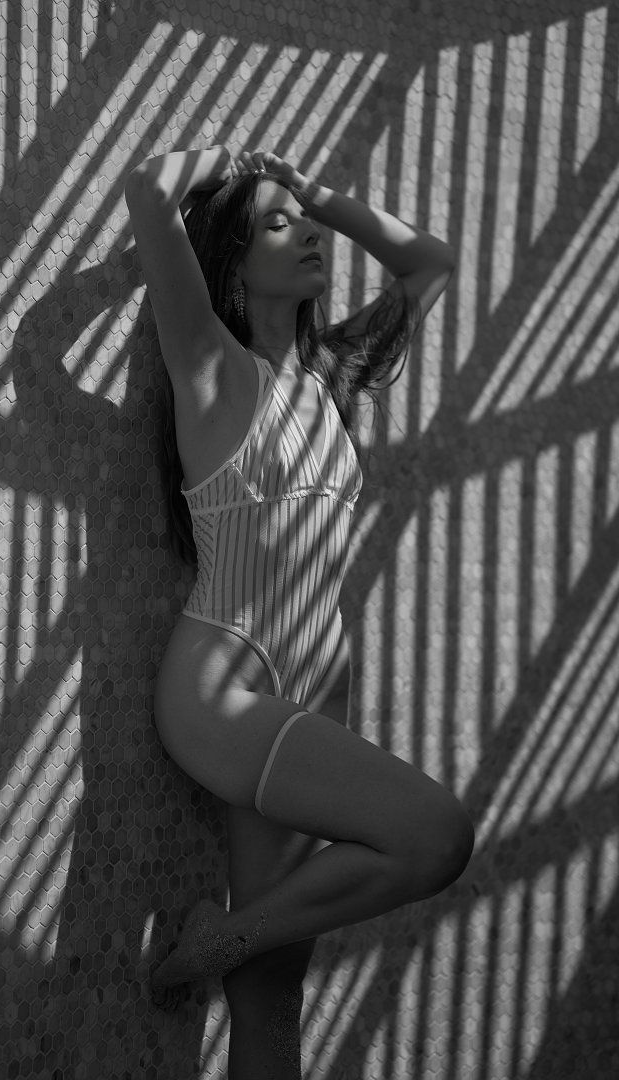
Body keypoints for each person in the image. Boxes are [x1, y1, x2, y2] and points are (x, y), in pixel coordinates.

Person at [125, 146, 473, 1077]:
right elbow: (148, 188)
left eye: (310, 224)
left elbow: (431, 262)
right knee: (437, 836)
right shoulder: (208, 361)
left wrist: (321, 195)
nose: (312, 233)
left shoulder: (336, 379)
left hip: (315, 692)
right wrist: (227, 163)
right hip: (225, 689)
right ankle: (216, 940)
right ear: (234, 265)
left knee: (274, 1012)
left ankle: (228, 943)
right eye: (280, 225)